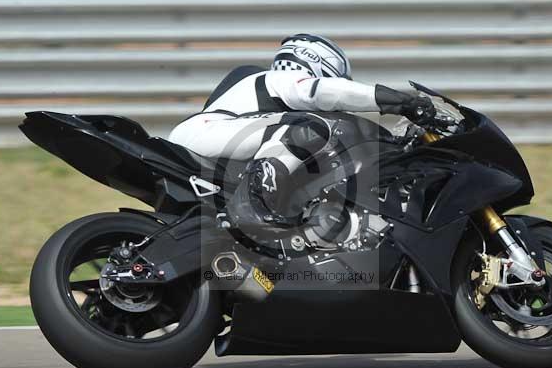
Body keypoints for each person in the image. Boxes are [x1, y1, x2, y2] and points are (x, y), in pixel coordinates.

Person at [168, 33, 434, 229]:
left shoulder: (272, 111)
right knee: (311, 127)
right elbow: (323, 92)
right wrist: (402, 102)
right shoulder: (276, 79)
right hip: (204, 133)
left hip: (216, 151)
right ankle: (252, 203)